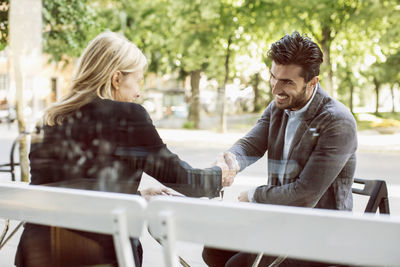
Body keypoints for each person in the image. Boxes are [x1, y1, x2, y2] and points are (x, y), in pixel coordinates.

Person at [15, 32, 230, 267]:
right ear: (116, 78)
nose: (138, 92)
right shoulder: (128, 117)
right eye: (137, 81)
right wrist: (220, 173)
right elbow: (185, 180)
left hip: (38, 255)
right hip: (100, 258)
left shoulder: (48, 120)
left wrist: (135, 198)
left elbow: (71, 195)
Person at [203, 32, 358, 266]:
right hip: (281, 222)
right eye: (273, 77)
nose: (276, 89)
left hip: (320, 235)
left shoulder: (337, 121)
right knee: (213, 250)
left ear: (312, 82)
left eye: (287, 82)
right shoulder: (279, 105)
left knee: (237, 264)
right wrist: (230, 162)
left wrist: (254, 196)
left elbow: (304, 194)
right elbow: (251, 144)